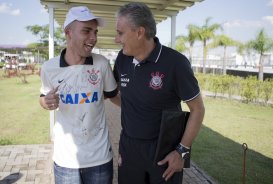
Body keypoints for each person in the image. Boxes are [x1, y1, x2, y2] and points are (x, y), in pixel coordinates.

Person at [113, 2, 205, 184]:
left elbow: (198, 109)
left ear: (140, 32)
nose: (117, 39)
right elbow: (122, 98)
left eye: (120, 33)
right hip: (129, 149)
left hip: (164, 153)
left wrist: (182, 152)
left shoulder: (176, 63)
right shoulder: (122, 58)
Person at [39, 6, 119, 184]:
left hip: (100, 158)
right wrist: (45, 102)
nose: (93, 38)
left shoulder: (101, 64)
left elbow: (113, 95)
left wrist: (141, 109)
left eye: (95, 32)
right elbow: (43, 98)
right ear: (68, 33)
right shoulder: (49, 68)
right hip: (65, 160)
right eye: (86, 31)